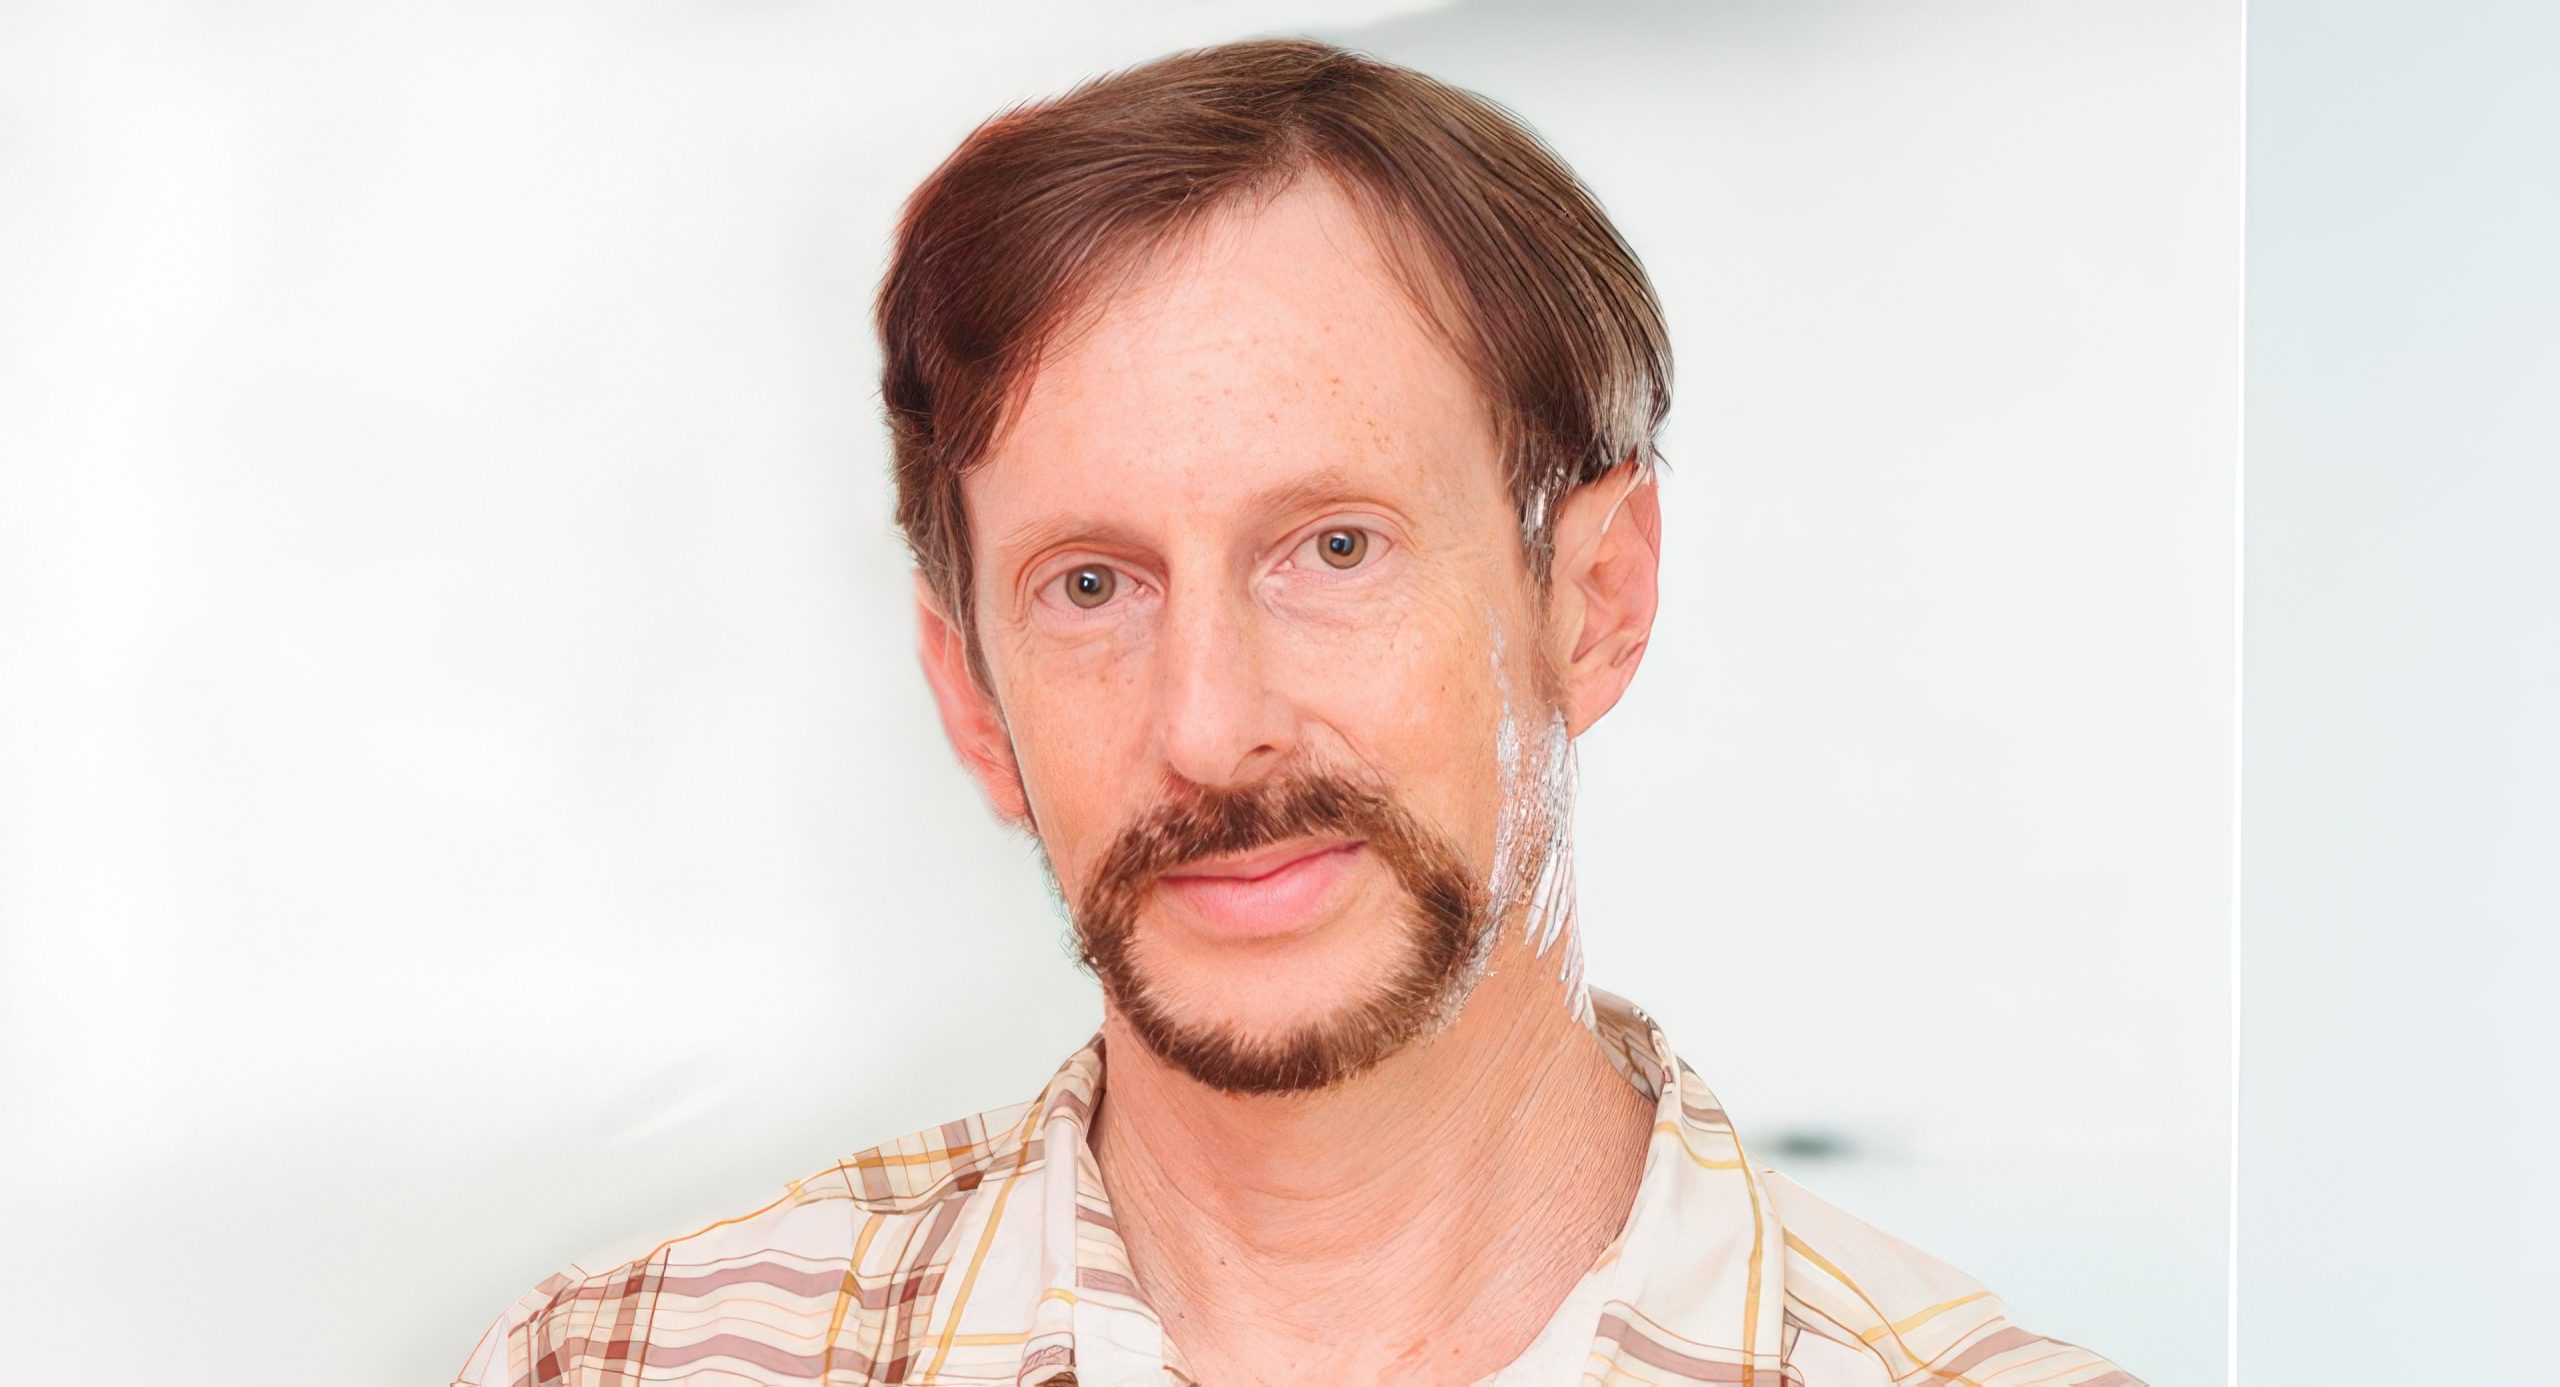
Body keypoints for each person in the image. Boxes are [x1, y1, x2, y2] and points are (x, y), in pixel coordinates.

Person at [455, 38, 2140, 1387]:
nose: (1211, 726)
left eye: (1334, 548)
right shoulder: (614, 1367)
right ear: (970, 694)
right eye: (1092, 586)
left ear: (1598, 598)